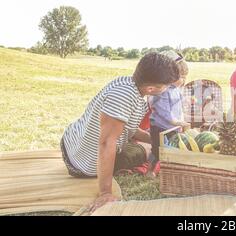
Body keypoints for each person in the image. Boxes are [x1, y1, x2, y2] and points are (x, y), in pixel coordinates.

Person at [60, 52, 180, 213]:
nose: (168, 89)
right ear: (151, 88)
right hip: (82, 165)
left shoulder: (130, 85)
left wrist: (157, 140)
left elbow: (128, 129)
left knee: (147, 144)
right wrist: (105, 193)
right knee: (143, 150)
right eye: (167, 86)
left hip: (73, 143)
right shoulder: (123, 96)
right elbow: (106, 143)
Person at [148, 50, 190, 176]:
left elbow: (178, 102)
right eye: (180, 77)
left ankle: (167, 169)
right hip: (160, 127)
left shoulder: (175, 89)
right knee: (158, 150)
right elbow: (164, 112)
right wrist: (176, 122)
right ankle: (150, 169)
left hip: (173, 126)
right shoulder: (163, 91)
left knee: (172, 148)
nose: (183, 80)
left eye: (184, 77)